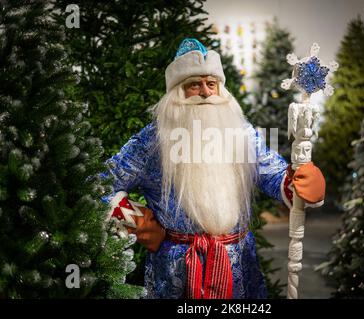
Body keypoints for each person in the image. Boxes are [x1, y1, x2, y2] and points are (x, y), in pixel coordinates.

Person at [102, 38, 325, 299]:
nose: (207, 92)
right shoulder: (154, 141)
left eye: (211, 84)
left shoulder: (241, 133)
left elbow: (273, 175)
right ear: (177, 92)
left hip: (238, 264)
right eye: (195, 85)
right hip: (177, 270)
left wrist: (299, 183)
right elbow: (103, 184)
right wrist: (138, 222)